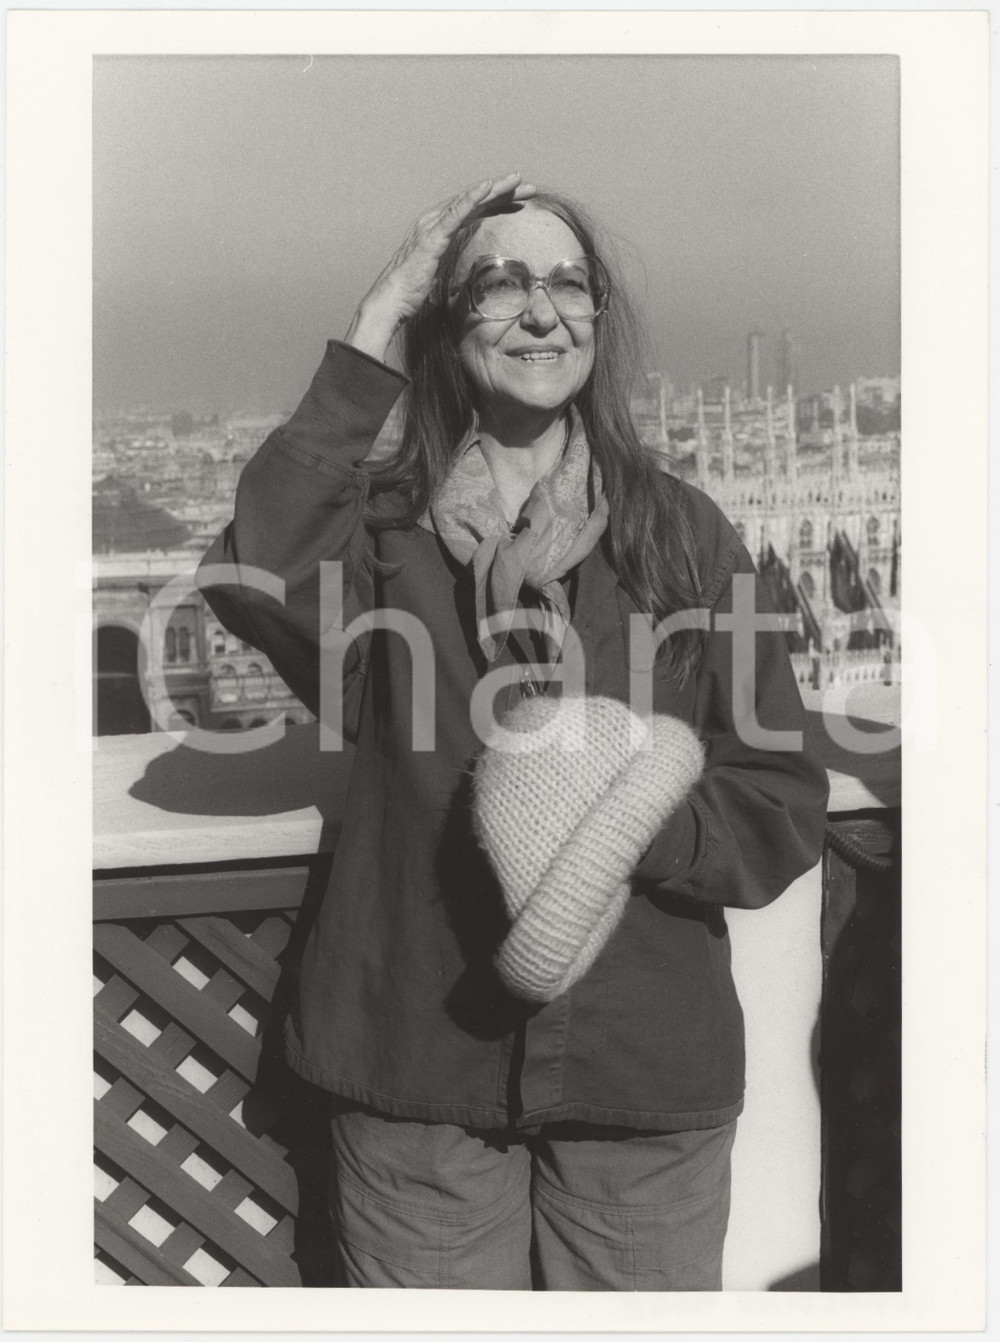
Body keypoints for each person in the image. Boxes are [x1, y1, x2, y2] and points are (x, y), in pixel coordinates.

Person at [199, 174, 829, 1290]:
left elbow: (776, 797)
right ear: (447, 323)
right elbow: (256, 573)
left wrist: (618, 823)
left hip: (640, 1078)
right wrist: (374, 320)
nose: (540, 312)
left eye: (567, 284)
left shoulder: (685, 540)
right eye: (498, 284)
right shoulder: (386, 534)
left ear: (598, 319)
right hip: (418, 1070)